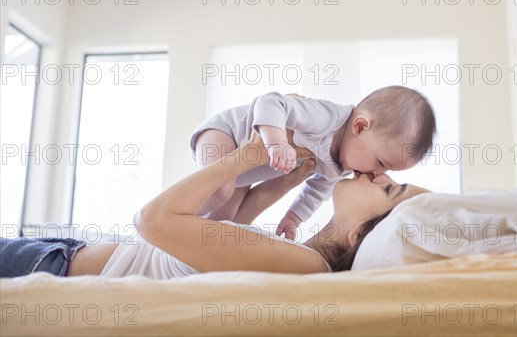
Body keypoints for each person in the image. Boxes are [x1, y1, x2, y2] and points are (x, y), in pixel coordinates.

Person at [0, 133, 431, 278]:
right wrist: (290, 179)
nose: (380, 174)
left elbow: (152, 220)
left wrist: (249, 153)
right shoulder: (300, 257)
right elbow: (219, 231)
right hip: (61, 254)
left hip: (52, 266)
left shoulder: (306, 268)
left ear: (359, 234)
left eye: (390, 190)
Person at [190, 86, 436, 239]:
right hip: (226, 134)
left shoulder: (340, 166)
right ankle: (176, 214)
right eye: (381, 162)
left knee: (222, 223)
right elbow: (271, 101)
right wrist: (276, 143)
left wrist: (294, 218)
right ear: (360, 126)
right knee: (220, 191)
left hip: (243, 171)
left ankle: (182, 242)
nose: (377, 173)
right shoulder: (327, 117)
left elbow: (316, 193)